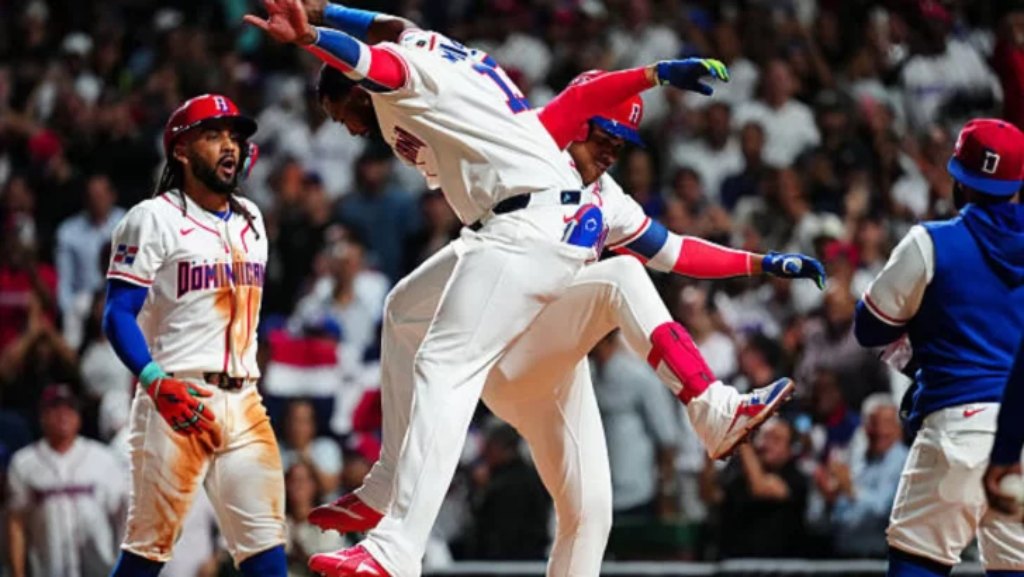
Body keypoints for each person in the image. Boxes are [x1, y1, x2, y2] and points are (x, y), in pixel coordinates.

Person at [245, 1, 822, 575]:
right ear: (581, 123)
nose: (612, 149)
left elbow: (675, 251)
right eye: (606, 134)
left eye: (622, 142)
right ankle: (393, 523)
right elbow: (568, 95)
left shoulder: (603, 194)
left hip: (541, 333)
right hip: (507, 293)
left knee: (590, 510)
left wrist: (762, 263)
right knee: (420, 324)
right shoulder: (537, 132)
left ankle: (713, 407)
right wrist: (316, 29)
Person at [102, 94, 287, 577]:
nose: (230, 145)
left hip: (246, 402)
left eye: (235, 138)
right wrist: (154, 380)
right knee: (147, 554)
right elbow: (117, 313)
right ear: (181, 151)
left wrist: (226, 158)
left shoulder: (251, 219)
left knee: (267, 553)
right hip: (178, 397)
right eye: (213, 135)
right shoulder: (152, 218)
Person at [854, 118, 1024, 576]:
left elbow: (869, 329)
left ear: (959, 181)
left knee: (917, 564)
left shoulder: (931, 242)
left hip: (960, 426)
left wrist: (923, 345)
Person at [6, 384, 128, 577]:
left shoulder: (104, 458)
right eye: (55, 408)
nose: (63, 415)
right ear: (42, 416)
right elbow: (16, 523)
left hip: (100, 569)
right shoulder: (23, 463)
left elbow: (123, 518)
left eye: (69, 408)